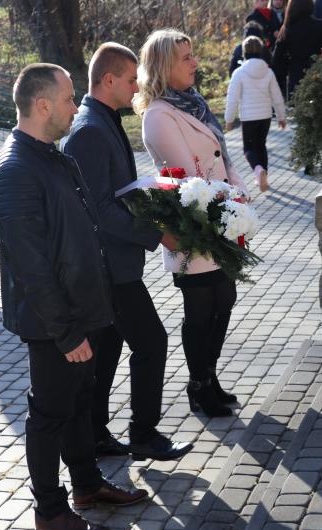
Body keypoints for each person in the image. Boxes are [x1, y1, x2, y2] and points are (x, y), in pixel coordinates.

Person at [0, 64, 148, 530]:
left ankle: (87, 486)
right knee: (49, 415)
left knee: (78, 404)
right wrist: (66, 331)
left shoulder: (51, 156)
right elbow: (30, 268)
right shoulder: (14, 171)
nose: (76, 108)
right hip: (54, 324)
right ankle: (51, 512)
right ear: (42, 105)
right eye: (68, 99)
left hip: (82, 311)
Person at [62, 43, 193, 462]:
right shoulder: (89, 131)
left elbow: (114, 193)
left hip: (113, 265)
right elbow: (98, 210)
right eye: (131, 79)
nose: (137, 87)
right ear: (108, 80)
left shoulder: (102, 121)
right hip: (107, 269)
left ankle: (95, 434)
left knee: (107, 350)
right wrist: (159, 235)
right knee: (151, 341)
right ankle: (143, 434)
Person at [134, 29, 249, 418]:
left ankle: (208, 377)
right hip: (194, 225)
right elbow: (190, 177)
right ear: (164, 65)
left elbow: (222, 156)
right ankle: (199, 385)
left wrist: (239, 192)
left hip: (222, 217)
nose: (195, 62)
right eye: (186, 57)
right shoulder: (159, 115)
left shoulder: (194, 102)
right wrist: (230, 202)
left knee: (225, 299)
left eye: (192, 54)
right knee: (201, 309)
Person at [225, 36, 286, 193]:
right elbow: (277, 96)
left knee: (249, 149)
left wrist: (229, 119)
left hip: (248, 117)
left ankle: (258, 171)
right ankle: (263, 176)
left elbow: (232, 98)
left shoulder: (239, 73)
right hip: (265, 116)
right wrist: (281, 116)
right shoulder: (268, 72)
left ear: (244, 52)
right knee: (261, 145)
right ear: (261, 51)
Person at [273, 0, 322, 98]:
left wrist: (286, 66)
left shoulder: (287, 28)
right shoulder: (319, 25)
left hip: (295, 75)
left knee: (295, 104)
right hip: (316, 72)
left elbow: (276, 58)